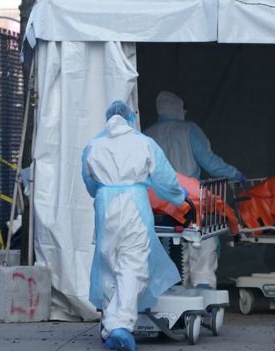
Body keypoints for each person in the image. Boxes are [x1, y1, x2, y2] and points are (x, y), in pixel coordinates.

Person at [82, 100, 187, 351]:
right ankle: (121, 327)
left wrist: (107, 189)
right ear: (131, 120)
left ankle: (109, 325)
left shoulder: (93, 146)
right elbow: (164, 178)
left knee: (109, 263)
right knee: (132, 264)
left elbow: (90, 184)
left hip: (105, 205)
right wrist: (179, 196)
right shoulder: (144, 144)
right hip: (134, 207)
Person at [145, 91, 245, 290]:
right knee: (202, 237)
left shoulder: (147, 135)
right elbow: (210, 162)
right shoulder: (189, 130)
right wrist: (235, 174)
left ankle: (166, 286)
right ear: (180, 108)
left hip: (157, 203)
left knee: (163, 241)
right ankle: (202, 286)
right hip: (190, 198)